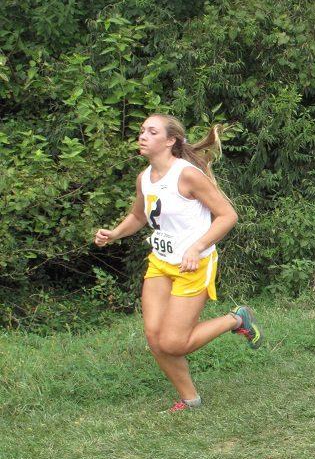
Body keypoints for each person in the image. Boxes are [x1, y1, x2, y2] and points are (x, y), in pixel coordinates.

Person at [94, 114, 262, 412]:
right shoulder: (144, 178)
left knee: (173, 342)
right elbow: (138, 216)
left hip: (193, 265)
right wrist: (114, 233)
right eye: (142, 130)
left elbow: (228, 216)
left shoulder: (187, 174)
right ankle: (190, 399)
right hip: (160, 262)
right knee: (155, 338)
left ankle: (236, 319)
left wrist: (197, 247)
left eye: (152, 131)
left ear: (170, 141)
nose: (142, 135)